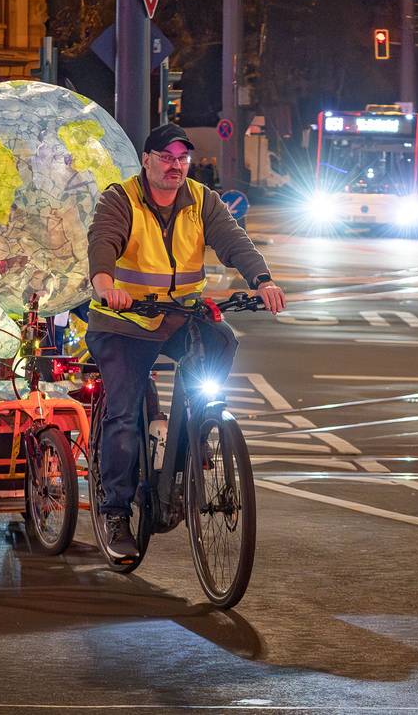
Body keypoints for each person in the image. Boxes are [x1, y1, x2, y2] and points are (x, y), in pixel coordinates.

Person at [85, 122, 285, 560]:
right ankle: (116, 511)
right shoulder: (120, 199)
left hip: (178, 317)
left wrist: (262, 280)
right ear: (147, 160)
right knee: (123, 415)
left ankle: (196, 430)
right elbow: (103, 242)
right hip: (123, 322)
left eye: (182, 159)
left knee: (221, 339)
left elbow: (232, 239)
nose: (175, 166)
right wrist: (105, 285)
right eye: (166, 158)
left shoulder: (201, 199)